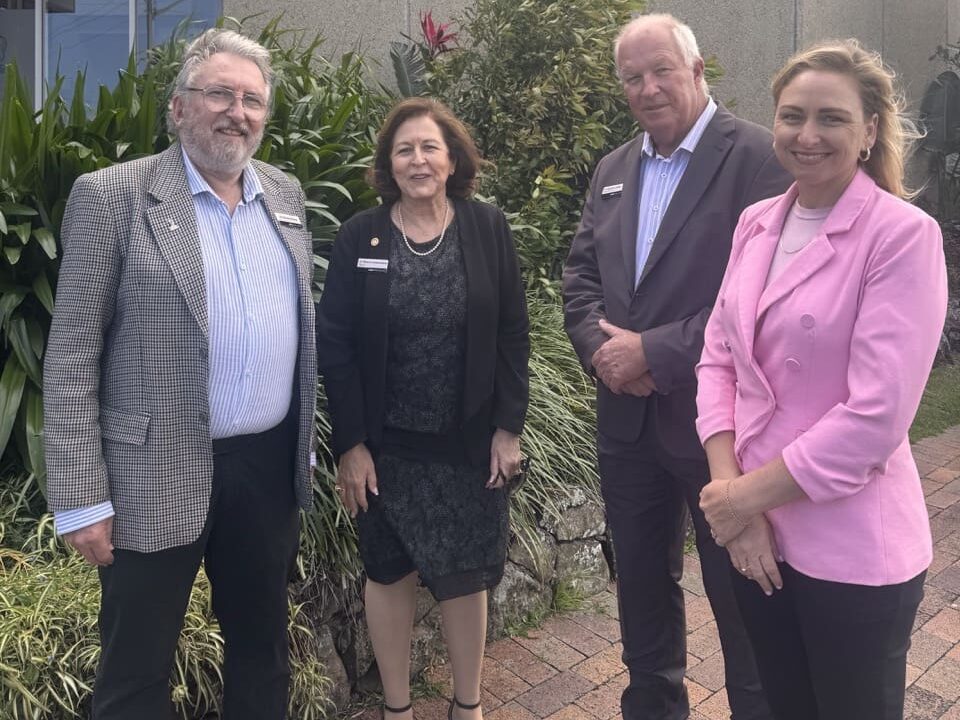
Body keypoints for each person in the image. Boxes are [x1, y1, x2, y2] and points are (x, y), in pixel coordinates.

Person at [43, 29, 316, 720]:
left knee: (263, 652)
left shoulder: (285, 195)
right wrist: (81, 496)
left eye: (252, 99)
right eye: (219, 93)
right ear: (179, 107)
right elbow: (72, 352)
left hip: (265, 467)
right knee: (135, 670)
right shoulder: (112, 197)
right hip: (152, 471)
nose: (238, 111)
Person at [696, 39, 947, 720]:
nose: (808, 135)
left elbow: (876, 419)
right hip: (757, 540)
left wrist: (739, 499)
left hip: (851, 550)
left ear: (869, 131)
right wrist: (733, 504)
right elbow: (718, 359)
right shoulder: (755, 224)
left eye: (831, 118)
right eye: (792, 115)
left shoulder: (902, 237)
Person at [563, 13, 791, 720]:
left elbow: (762, 297)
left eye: (661, 70)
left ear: (698, 70)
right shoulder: (614, 169)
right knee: (640, 589)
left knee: (740, 595)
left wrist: (654, 351)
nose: (647, 87)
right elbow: (579, 275)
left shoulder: (757, 157)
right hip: (627, 425)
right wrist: (603, 355)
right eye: (632, 77)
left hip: (718, 431)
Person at [316, 97, 529, 720]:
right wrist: (350, 444)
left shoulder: (486, 228)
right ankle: (398, 708)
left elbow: (514, 335)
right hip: (387, 446)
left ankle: (468, 706)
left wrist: (508, 428)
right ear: (389, 162)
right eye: (404, 149)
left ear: (451, 157)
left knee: (467, 576)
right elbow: (337, 344)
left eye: (429, 147)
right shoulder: (362, 234)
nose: (418, 159)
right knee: (388, 572)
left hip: (466, 440)